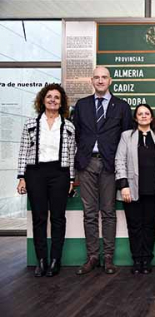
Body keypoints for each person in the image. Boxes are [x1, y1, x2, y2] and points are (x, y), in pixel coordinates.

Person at [73, 66, 133, 275]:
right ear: (92, 80)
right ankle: (92, 257)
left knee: (108, 213)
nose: (100, 80)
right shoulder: (81, 106)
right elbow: (76, 135)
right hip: (87, 164)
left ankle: (108, 257)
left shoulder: (122, 107)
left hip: (110, 164)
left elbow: (127, 138)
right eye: (96, 77)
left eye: (104, 77)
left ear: (110, 81)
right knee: (89, 213)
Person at [16, 83, 75, 277]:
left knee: (58, 218)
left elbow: (71, 154)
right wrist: (22, 177)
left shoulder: (68, 126)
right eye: (49, 96)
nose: (53, 100)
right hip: (36, 173)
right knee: (39, 218)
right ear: (43, 100)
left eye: (57, 97)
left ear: (61, 102)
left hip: (60, 173)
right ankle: (41, 260)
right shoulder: (31, 124)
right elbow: (23, 151)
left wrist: (72, 179)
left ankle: (55, 260)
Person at [115, 104, 155, 275]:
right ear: (135, 118)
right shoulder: (126, 136)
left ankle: (147, 259)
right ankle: (137, 260)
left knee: (150, 226)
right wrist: (124, 186)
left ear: (151, 118)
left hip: (154, 190)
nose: (144, 116)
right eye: (140, 114)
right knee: (134, 226)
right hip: (132, 190)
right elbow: (119, 161)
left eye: (147, 113)